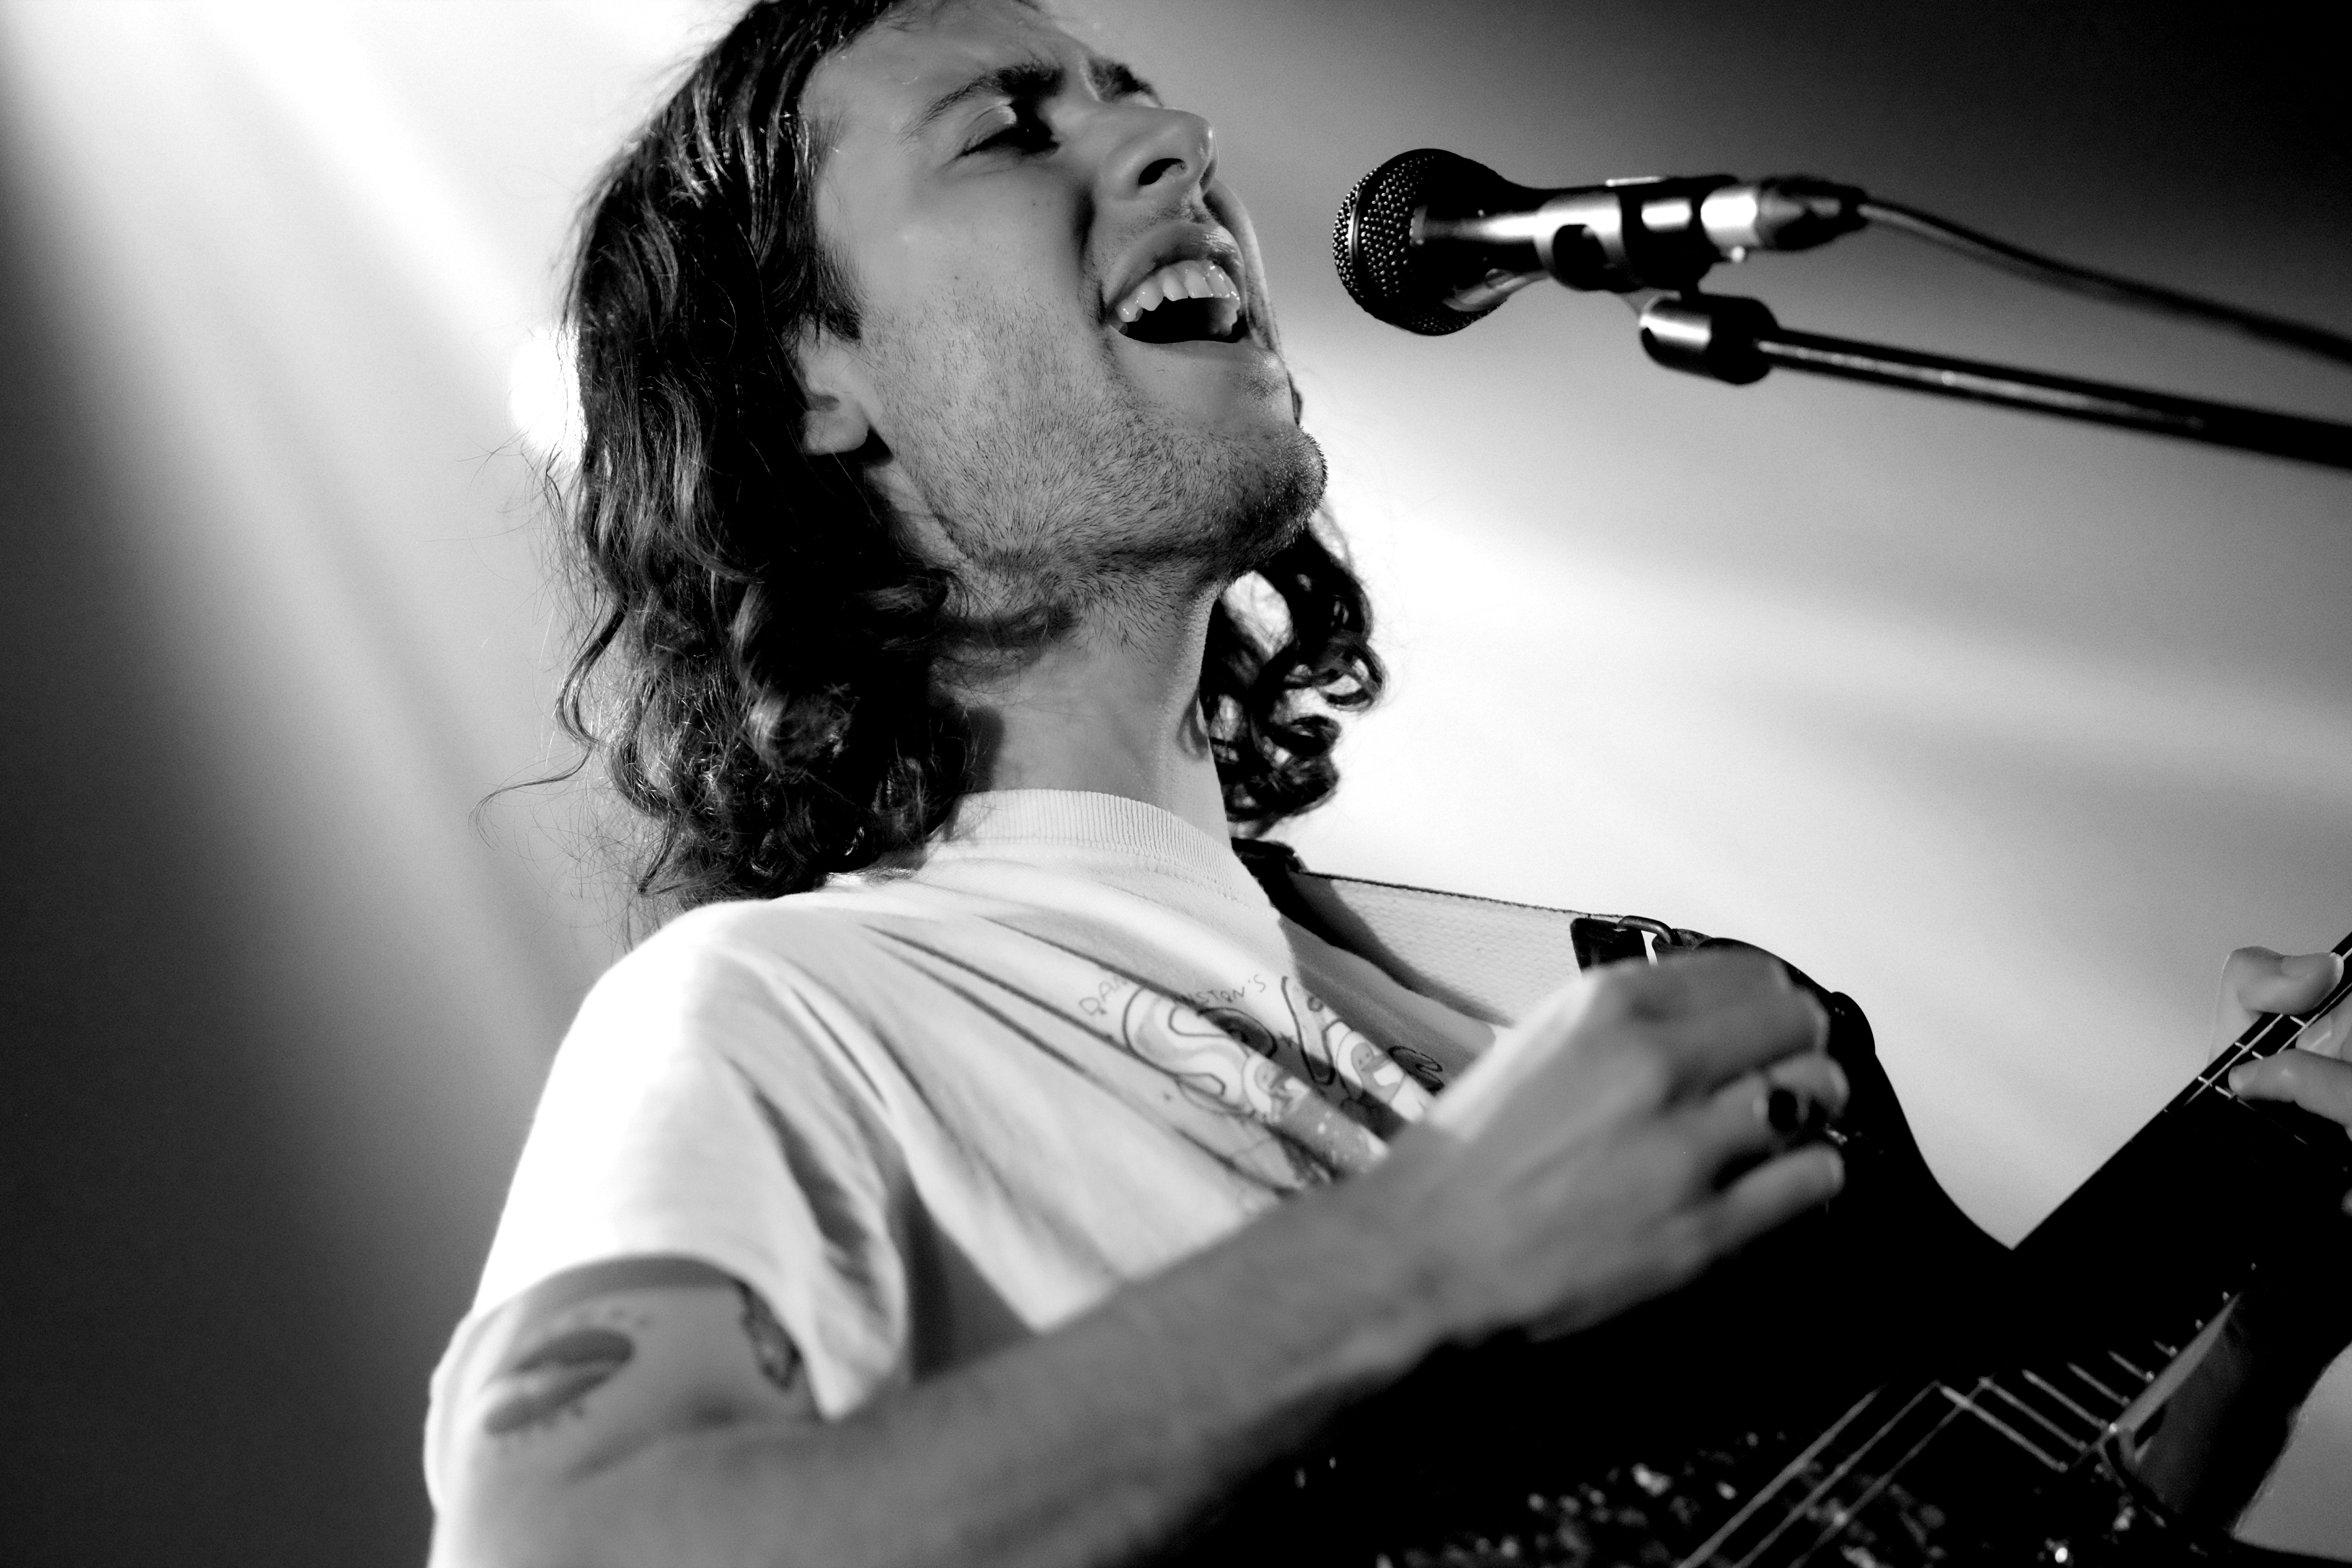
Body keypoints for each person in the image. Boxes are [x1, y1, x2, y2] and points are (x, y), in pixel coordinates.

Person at [423, 2, 2352, 1564]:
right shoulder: (791, 1015)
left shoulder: (1621, 993)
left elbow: (1955, 1521)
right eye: (1009, 131)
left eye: (1139, 96)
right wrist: (1428, 1244)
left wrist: (2265, 1308)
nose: (1177, 141)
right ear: (803, 380)